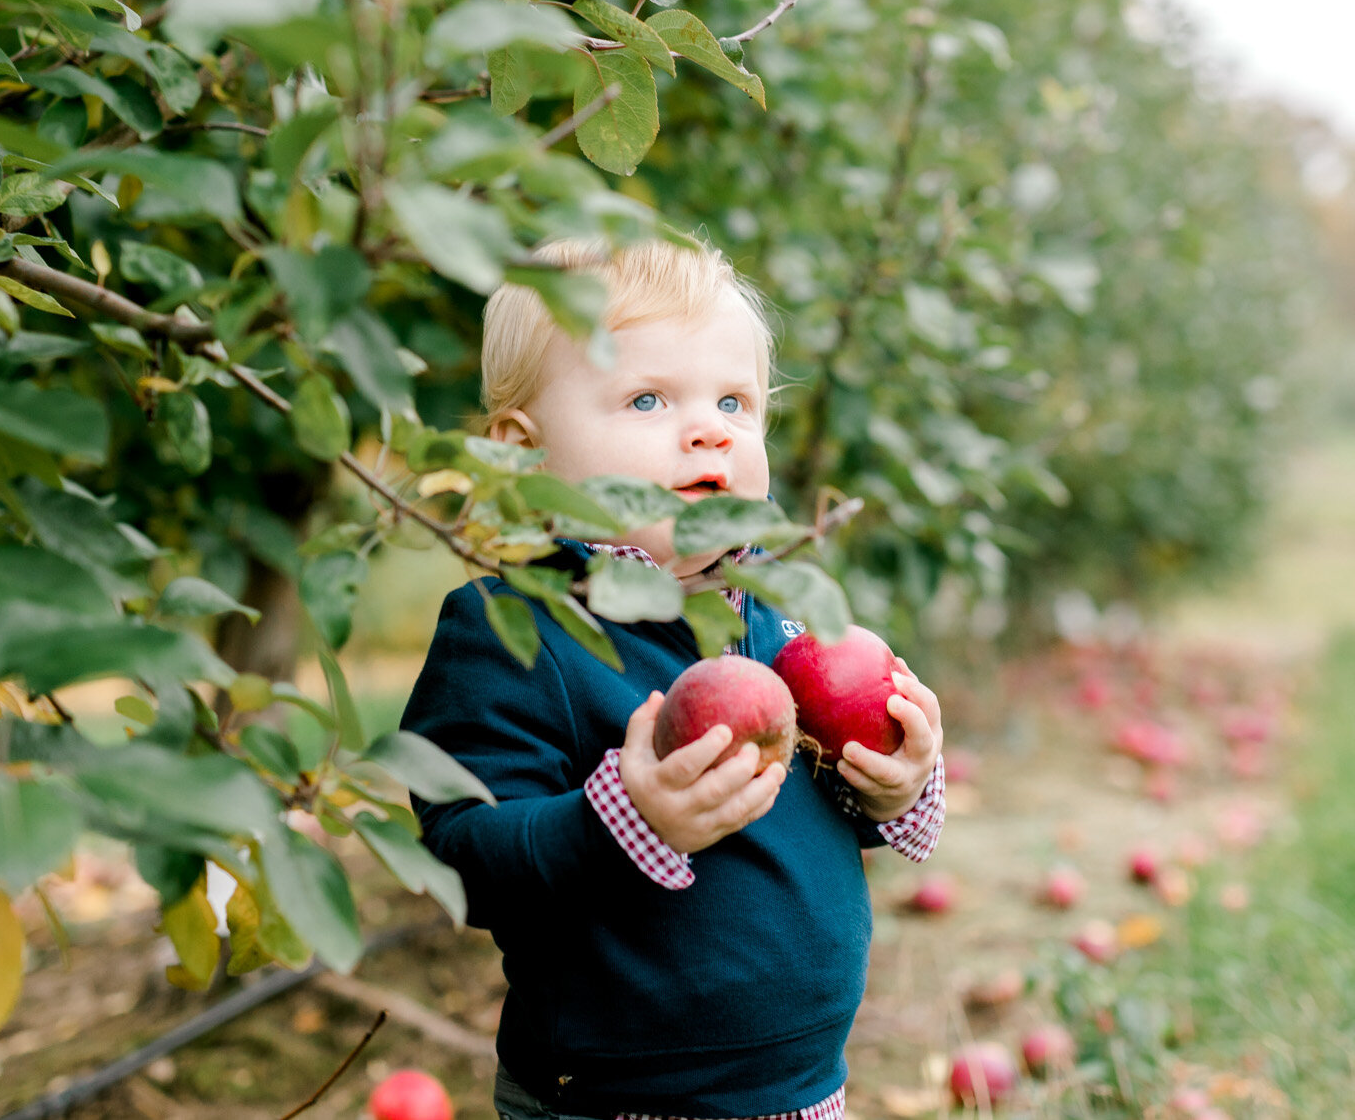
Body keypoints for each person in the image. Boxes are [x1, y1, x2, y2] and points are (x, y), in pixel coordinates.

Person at [398, 237, 947, 1120]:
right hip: (618, 1101)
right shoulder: (519, 629)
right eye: (648, 397)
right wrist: (622, 822)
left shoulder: (785, 618)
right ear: (521, 453)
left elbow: (817, 816)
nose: (711, 428)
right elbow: (460, 853)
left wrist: (895, 786)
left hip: (804, 1090)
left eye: (735, 400)